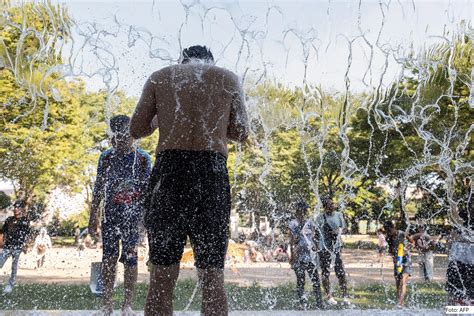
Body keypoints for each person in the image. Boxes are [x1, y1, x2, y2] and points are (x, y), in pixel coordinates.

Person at [130, 45, 249, 316]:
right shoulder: (227, 78)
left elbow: (136, 129)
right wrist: (215, 122)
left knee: (161, 277)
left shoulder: (161, 77)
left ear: (181, 61)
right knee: (212, 276)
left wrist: (164, 117)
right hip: (212, 172)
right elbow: (242, 132)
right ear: (211, 61)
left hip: (170, 172)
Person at [88, 115, 152, 315]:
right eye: (116, 137)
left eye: (125, 136)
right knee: (108, 258)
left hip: (132, 218)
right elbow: (98, 187)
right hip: (111, 216)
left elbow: (148, 192)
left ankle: (127, 305)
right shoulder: (106, 157)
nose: (121, 141)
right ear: (112, 138)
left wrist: (145, 220)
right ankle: (107, 304)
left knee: (131, 258)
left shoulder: (142, 159)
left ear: (133, 135)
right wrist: (93, 216)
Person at [288, 202, 323, 309]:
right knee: (300, 280)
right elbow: (291, 240)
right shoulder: (292, 223)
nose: (303, 212)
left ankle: (319, 303)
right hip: (298, 256)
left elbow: (315, 235)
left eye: (304, 210)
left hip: (310, 256)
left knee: (315, 279)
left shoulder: (310, 222)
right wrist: (292, 256)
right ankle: (301, 303)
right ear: (297, 210)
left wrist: (316, 246)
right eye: (301, 210)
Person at [316, 196, 349, 305]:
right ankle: (329, 296)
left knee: (340, 272)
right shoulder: (320, 217)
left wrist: (337, 231)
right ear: (325, 207)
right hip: (324, 248)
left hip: (336, 248)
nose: (331, 206)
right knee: (325, 273)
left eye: (332, 204)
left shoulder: (339, 215)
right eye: (329, 205)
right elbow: (316, 233)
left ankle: (345, 296)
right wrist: (316, 246)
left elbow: (345, 229)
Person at [0, 200, 30, 293]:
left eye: (17, 207)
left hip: (17, 247)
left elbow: (27, 234)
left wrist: (25, 245)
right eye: (15, 207)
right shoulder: (9, 219)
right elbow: (3, 232)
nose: (15, 209)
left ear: (22, 209)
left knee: (14, 266)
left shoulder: (25, 220)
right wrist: (2, 241)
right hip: (7, 247)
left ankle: (10, 285)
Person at [445, 208, 473, 306]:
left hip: (456, 264)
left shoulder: (457, 230)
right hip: (469, 266)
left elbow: (448, 243)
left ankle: (451, 311)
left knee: (453, 292)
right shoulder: (468, 231)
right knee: (469, 295)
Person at [383, 221, 414, 308]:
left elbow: (412, 242)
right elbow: (391, 251)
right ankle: (400, 302)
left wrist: (407, 248)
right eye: (387, 231)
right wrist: (394, 257)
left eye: (389, 230)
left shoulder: (402, 233)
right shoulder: (388, 238)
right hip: (398, 260)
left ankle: (400, 302)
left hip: (406, 258)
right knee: (397, 281)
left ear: (394, 227)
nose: (389, 232)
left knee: (403, 280)